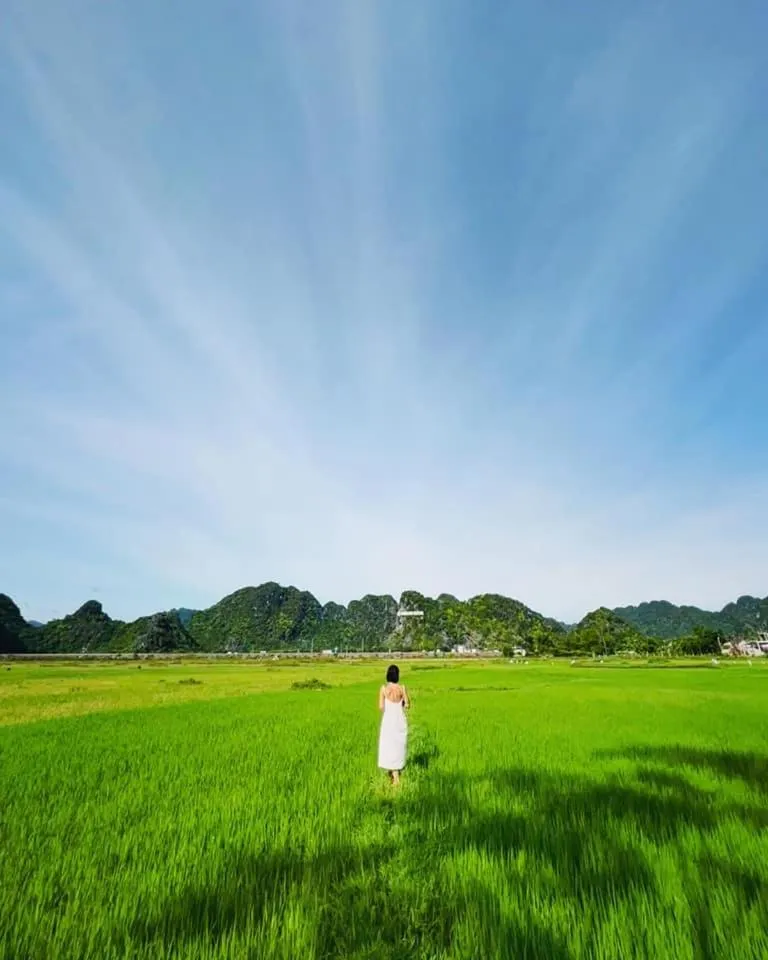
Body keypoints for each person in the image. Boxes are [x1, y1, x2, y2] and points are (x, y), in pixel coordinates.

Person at [377, 664, 409, 785]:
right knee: (398, 746)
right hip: (400, 720)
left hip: (388, 720)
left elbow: (381, 707)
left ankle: (395, 777)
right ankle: (395, 773)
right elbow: (407, 705)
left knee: (389, 746)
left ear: (388, 675)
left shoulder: (383, 689)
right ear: (397, 675)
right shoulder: (402, 688)